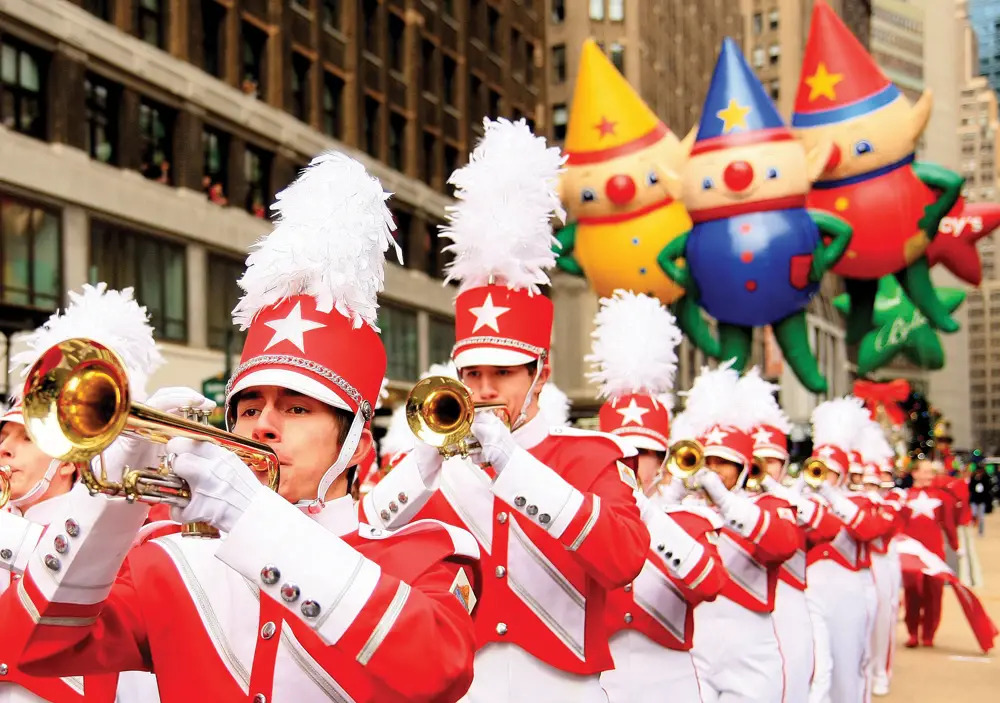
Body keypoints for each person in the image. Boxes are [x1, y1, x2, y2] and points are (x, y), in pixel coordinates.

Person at [3, 151, 480, 702]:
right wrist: (110, 499)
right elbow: (34, 646)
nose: (264, 426)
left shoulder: (427, 551)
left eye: (298, 408)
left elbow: (439, 666)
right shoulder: (168, 559)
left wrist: (253, 518)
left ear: (356, 444)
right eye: (249, 408)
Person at [361, 118, 650, 702]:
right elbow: (364, 536)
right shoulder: (434, 466)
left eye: (504, 374)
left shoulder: (590, 455)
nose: (485, 390)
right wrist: (420, 468)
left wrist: (512, 465)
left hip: (563, 688)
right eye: (472, 374)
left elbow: (623, 560)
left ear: (540, 372)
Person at [0, 283, 166, 703]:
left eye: (26, 439)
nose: (5, 448)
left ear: (70, 460)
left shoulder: (123, 544)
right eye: (4, 435)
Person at [588, 290, 726, 703]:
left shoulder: (692, 522)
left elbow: (710, 582)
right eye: (622, 451)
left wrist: (645, 512)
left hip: (670, 681)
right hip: (598, 679)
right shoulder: (583, 515)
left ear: (664, 460)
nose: (632, 462)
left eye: (645, 453)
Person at [665, 364, 799, 703]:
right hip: (694, 643)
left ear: (742, 467)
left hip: (749, 648)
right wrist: (670, 497)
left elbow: (782, 544)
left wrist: (724, 501)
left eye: (724, 462)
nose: (713, 469)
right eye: (706, 459)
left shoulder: (768, 504)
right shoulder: (684, 509)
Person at [741, 369, 840, 703]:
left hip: (790, 605)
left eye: (774, 461)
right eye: (760, 461)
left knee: (796, 687)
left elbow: (829, 528)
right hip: (744, 611)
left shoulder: (798, 501)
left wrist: (784, 495)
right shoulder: (729, 504)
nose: (766, 468)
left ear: (784, 464)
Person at [805, 397, 894, 703]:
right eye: (819, 468)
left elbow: (869, 530)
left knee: (849, 671)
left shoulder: (860, 502)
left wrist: (831, 496)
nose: (823, 476)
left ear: (842, 474)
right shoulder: (802, 500)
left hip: (850, 590)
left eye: (831, 471)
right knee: (818, 669)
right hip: (811, 590)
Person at [903, 457, 960, 647]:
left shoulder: (941, 497)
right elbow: (898, 525)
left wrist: (956, 545)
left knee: (934, 594)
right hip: (912, 553)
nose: (929, 476)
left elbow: (949, 524)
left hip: (934, 552)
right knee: (912, 593)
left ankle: (928, 634)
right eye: (925, 472)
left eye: (931, 472)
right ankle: (912, 633)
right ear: (915, 473)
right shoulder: (905, 497)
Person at [970, 464, 993, 536]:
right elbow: (970, 488)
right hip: (974, 499)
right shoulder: (973, 478)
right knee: (974, 513)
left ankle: (980, 531)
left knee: (981, 517)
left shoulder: (986, 478)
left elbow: (988, 488)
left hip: (982, 500)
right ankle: (974, 523)